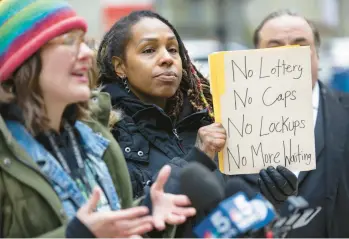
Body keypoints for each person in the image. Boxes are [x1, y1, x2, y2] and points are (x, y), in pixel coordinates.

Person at [0, 0, 196, 237]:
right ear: (23, 59)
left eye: (83, 42)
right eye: (69, 41)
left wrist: (147, 214)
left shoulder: (97, 139)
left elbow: (109, 226)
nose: (85, 54)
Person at [96, 10, 298, 237]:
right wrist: (198, 157)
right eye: (149, 50)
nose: (167, 58)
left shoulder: (208, 120)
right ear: (119, 66)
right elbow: (133, 224)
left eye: (173, 49)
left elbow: (222, 220)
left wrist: (266, 200)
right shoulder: (104, 136)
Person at [251, 9, 349, 237]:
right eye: (275, 48)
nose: (288, 56)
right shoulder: (224, 125)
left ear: (317, 55)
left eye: (300, 45)